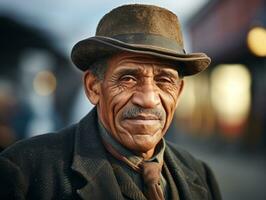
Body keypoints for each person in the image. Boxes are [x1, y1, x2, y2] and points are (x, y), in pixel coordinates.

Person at [0, 4, 221, 200]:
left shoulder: (200, 174)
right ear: (93, 87)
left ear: (179, 92)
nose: (148, 99)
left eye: (164, 81)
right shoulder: (24, 172)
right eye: (128, 78)